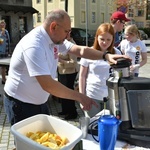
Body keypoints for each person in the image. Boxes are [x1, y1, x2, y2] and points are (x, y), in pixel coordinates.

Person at [3, 9, 129, 126]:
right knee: (26, 144)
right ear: (53, 27)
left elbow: (79, 50)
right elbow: (48, 85)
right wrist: (80, 96)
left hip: (39, 102)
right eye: (67, 31)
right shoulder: (34, 45)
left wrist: (105, 56)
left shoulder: (54, 39)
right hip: (20, 104)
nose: (69, 35)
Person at [79, 23, 122, 118]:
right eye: (102, 39)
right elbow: (82, 76)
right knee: (93, 126)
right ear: (96, 37)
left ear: (113, 39)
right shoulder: (88, 52)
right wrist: (82, 97)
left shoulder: (117, 52)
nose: (105, 42)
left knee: (109, 124)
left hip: (111, 96)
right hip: (92, 95)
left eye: (108, 40)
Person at [57, 34, 79, 120]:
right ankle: (65, 110)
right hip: (61, 71)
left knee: (68, 93)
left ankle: (73, 113)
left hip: (69, 73)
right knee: (62, 92)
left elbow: (73, 62)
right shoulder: (62, 43)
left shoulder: (71, 45)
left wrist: (61, 60)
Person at [0, 20, 10, 84]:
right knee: (2, 66)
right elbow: (0, 42)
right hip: (1, 51)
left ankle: (4, 78)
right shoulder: (1, 33)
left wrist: (9, 50)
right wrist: (1, 35)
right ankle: (3, 79)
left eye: (4, 25)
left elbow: (8, 41)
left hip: (6, 51)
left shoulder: (6, 31)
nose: (3, 26)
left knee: (5, 66)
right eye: (1, 25)